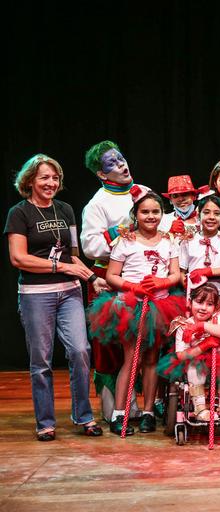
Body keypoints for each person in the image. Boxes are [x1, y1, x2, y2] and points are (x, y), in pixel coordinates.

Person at [5, 154, 102, 441]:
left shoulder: (66, 210)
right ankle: (45, 422)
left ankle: (83, 416)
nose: (51, 183)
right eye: (44, 177)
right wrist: (61, 267)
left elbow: (74, 255)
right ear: (30, 181)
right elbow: (18, 258)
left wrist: (94, 279)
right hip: (36, 294)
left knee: (80, 351)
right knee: (42, 361)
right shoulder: (19, 213)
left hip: (70, 291)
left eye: (55, 178)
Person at [88, 187, 184, 435]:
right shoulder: (125, 241)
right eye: (145, 212)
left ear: (162, 214)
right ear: (135, 214)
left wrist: (162, 283)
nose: (150, 216)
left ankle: (149, 412)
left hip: (160, 305)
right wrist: (133, 286)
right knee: (132, 359)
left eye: (155, 212)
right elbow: (111, 275)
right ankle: (119, 413)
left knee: (152, 359)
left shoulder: (169, 241)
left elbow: (175, 274)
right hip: (131, 306)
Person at [80, 140, 141, 420]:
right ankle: (112, 401)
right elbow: (90, 247)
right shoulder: (97, 204)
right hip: (108, 277)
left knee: (143, 340)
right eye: (112, 163)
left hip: (141, 275)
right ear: (102, 174)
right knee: (109, 343)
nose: (121, 165)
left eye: (121, 158)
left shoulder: (143, 193)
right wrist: (119, 232)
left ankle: (141, 400)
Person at [158, 282, 220, 422]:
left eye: (209, 304)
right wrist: (203, 346)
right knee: (193, 369)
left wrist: (204, 326)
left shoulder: (219, 317)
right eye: (199, 302)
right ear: (190, 303)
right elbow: (181, 355)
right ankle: (200, 408)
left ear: (215, 307)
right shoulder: (184, 326)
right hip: (197, 360)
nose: (203, 308)